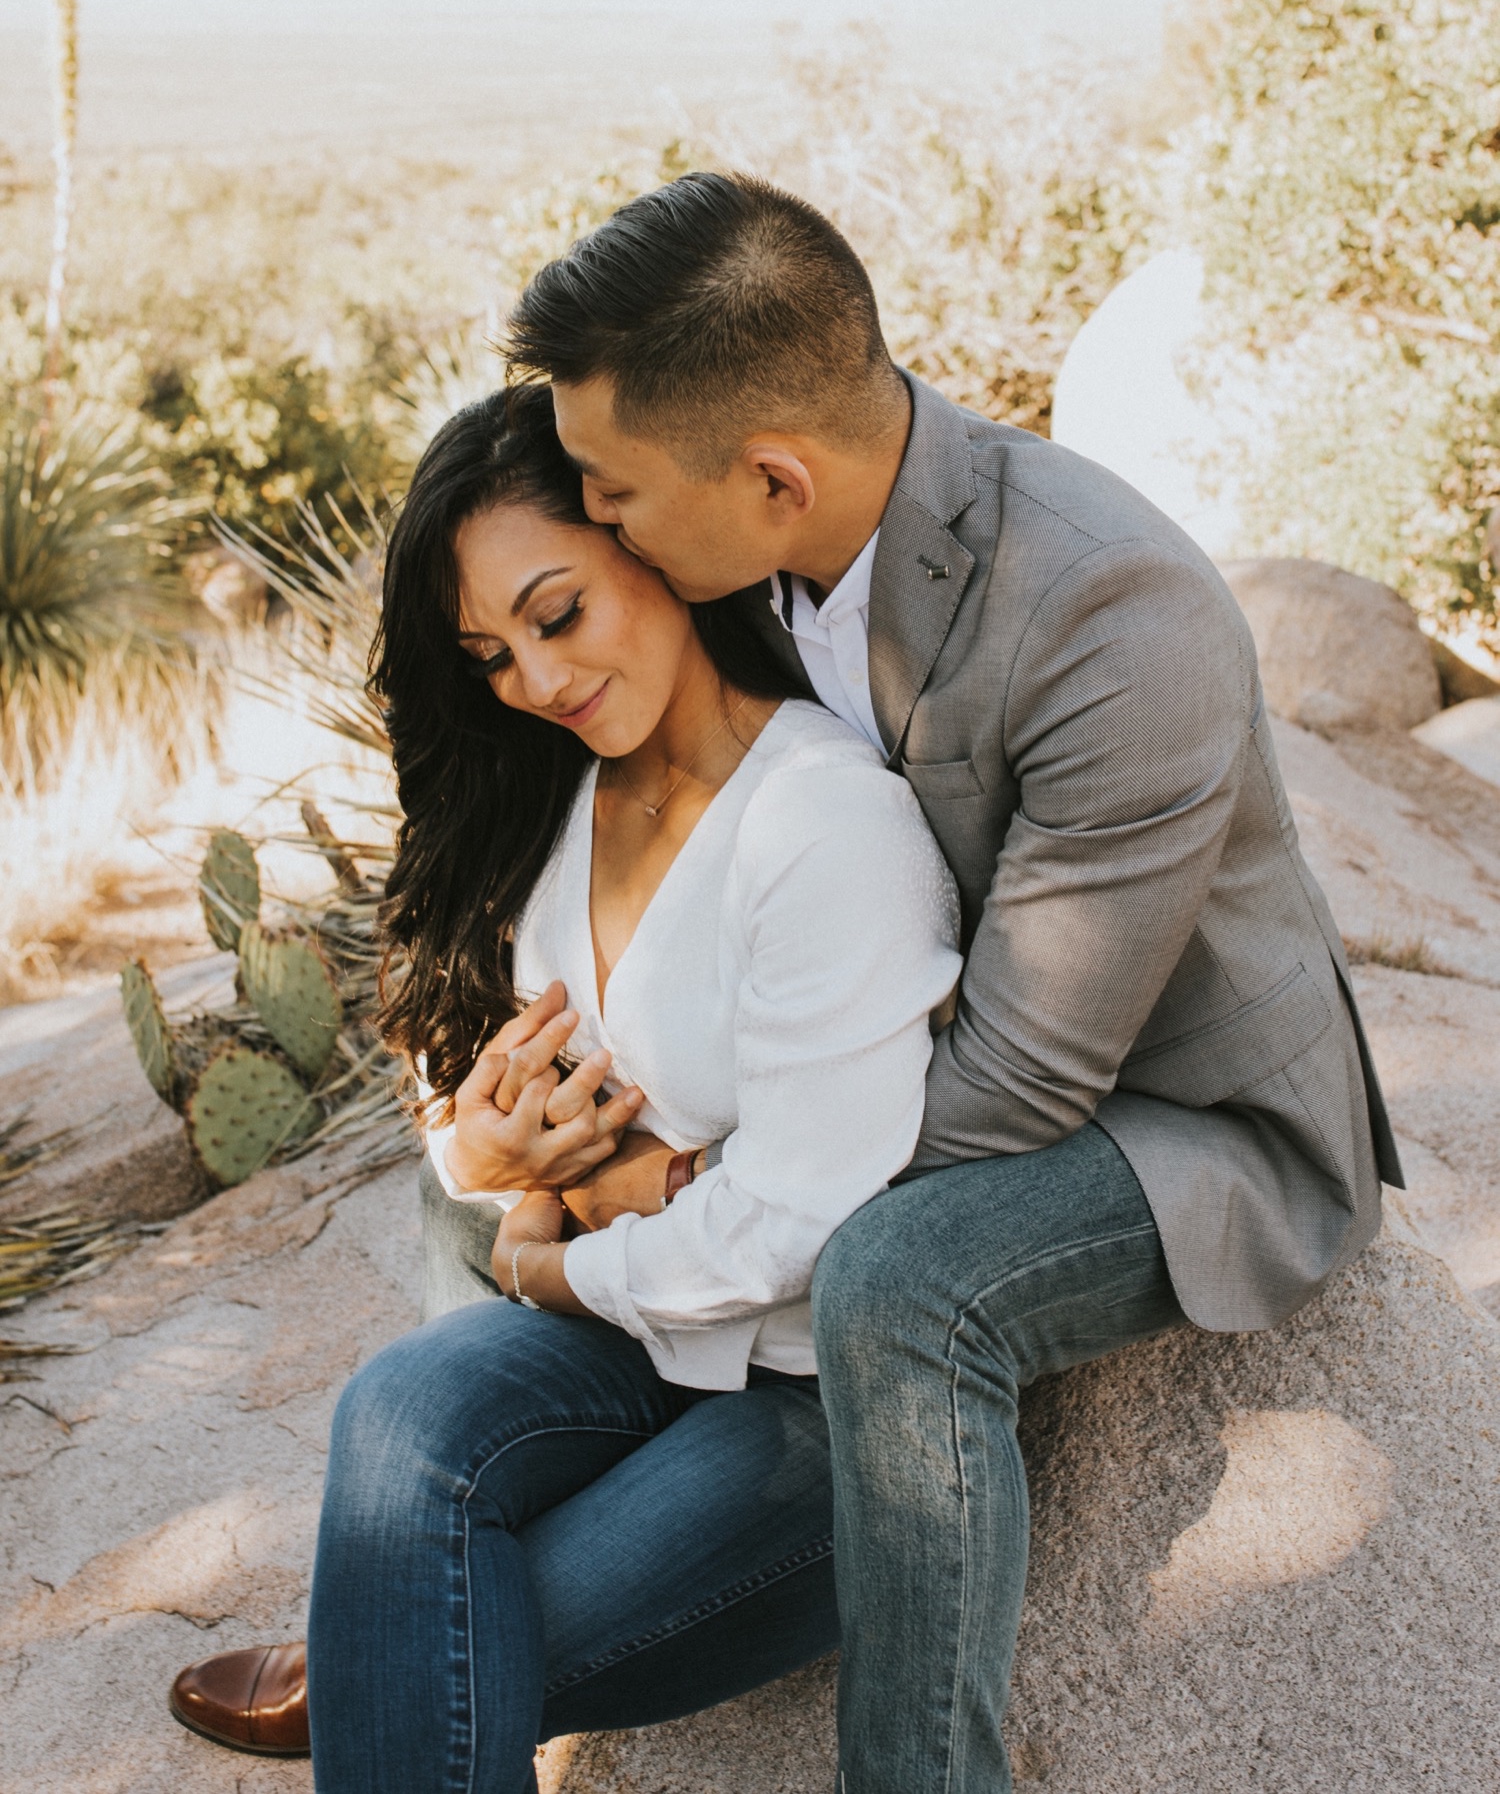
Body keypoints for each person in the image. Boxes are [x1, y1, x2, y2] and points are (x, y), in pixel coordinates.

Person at [175, 170, 1402, 1792]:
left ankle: (443, 1653)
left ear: (766, 475)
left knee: (896, 1275)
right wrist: (518, 1158)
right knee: (424, 1347)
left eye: (609, 500)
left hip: (1166, 1111)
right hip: (850, 1096)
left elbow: (1026, 1081)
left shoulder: (1119, 608)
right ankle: (412, 1615)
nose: (598, 517)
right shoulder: (741, 563)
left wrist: (657, 1191)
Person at [170, 380, 960, 1789]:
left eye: (557, 613)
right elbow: (471, 1091)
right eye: (489, 652)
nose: (533, 678)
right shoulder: (558, 786)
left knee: (447, 1622)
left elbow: (800, 1229)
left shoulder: (826, 822)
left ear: (649, 546)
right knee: (399, 1414)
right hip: (644, 1338)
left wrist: (549, 1245)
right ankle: (375, 1635)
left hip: (807, 1395)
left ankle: (356, 1647)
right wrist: (499, 1162)